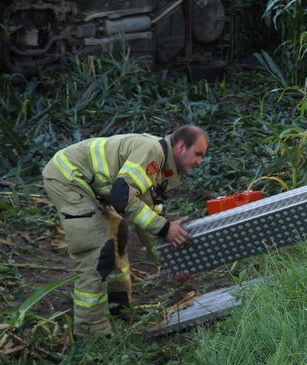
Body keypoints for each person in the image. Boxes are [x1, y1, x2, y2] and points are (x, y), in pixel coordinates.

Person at [42, 126, 206, 336]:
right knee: (98, 251)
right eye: (198, 154)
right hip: (68, 178)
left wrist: (170, 262)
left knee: (118, 236)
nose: (200, 161)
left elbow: (147, 222)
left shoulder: (162, 167)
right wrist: (165, 227)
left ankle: (118, 308)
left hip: (93, 188)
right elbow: (122, 197)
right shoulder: (152, 152)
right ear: (182, 146)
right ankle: (91, 332)